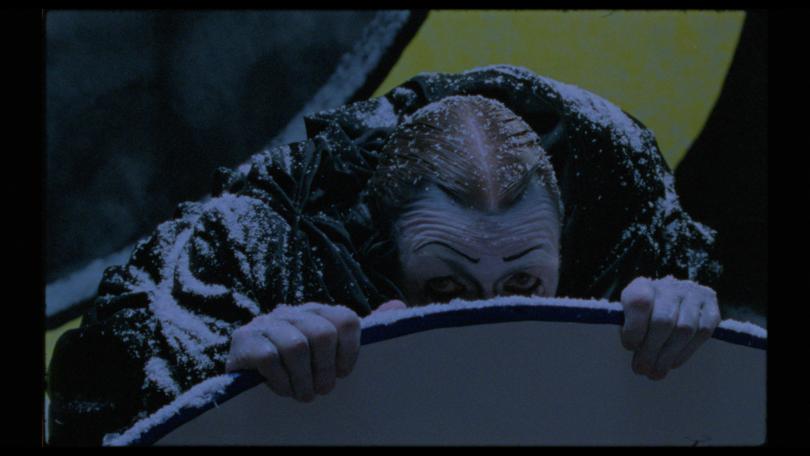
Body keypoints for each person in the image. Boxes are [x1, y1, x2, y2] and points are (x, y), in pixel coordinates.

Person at [48, 65, 721, 445]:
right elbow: (93, 410)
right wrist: (221, 370)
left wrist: (688, 327)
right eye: (446, 289)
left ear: (564, 244)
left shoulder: (629, 231)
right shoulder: (252, 249)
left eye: (524, 281)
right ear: (383, 252)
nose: (488, 317)